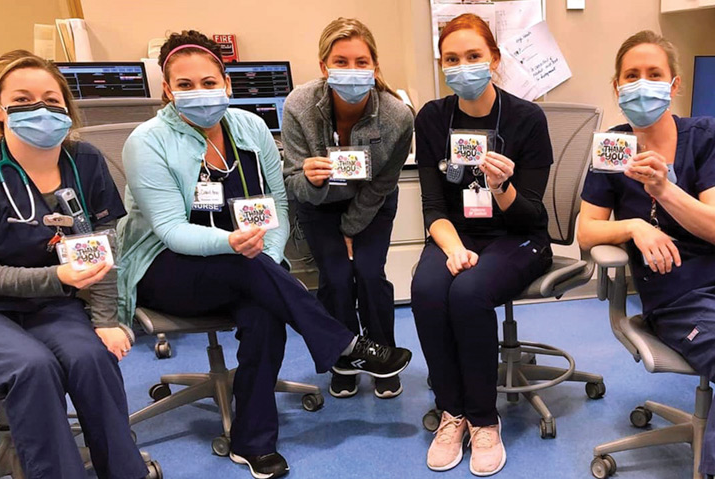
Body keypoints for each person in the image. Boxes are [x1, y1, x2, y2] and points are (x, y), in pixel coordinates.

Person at [116, 30, 412, 479]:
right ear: (166, 89)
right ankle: (343, 344)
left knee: (264, 311)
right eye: (186, 85)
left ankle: (251, 443)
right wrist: (237, 247)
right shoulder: (147, 141)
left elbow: (275, 203)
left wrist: (267, 259)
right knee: (250, 272)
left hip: (246, 264)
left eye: (209, 81)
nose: (201, 93)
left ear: (227, 82)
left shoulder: (250, 128)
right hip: (167, 266)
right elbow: (172, 231)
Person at [410, 14, 554, 476]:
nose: (463, 66)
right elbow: (434, 206)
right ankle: (451, 413)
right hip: (458, 232)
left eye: (474, 56)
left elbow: (532, 213)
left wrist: (500, 187)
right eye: (451, 59)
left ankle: (484, 420)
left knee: (469, 294)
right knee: (429, 290)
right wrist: (452, 249)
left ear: (494, 59)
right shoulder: (432, 118)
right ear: (441, 64)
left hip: (519, 235)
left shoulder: (527, 118)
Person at [0, 50, 147, 479]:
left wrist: (106, 318)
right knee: (33, 367)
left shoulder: (85, 161)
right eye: (22, 101)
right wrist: (56, 275)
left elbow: (103, 246)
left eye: (51, 99)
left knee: (92, 357)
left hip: (54, 305)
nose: (39, 110)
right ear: (0, 109)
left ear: (66, 107)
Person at [577, 30, 715, 477]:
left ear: (674, 86)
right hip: (679, 296)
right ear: (617, 88)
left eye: (654, 74)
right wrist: (635, 225)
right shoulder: (613, 148)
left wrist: (665, 189)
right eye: (631, 76)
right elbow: (586, 231)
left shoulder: (705, 137)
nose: (641, 84)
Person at [282, 17, 414, 400]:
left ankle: (382, 354)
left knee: (370, 274)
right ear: (324, 67)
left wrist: (351, 228)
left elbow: (384, 182)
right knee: (336, 278)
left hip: (371, 202)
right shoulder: (299, 106)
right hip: (318, 206)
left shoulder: (397, 116)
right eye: (340, 62)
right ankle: (344, 357)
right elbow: (292, 183)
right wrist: (311, 179)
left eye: (361, 62)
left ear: (375, 65)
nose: (352, 70)